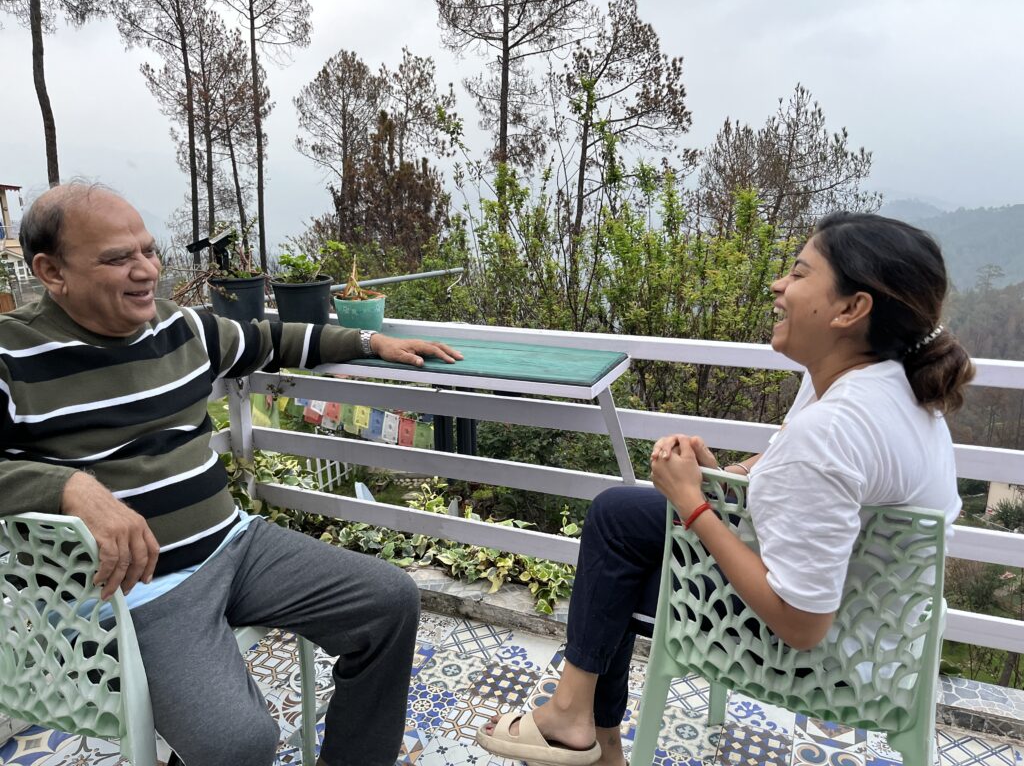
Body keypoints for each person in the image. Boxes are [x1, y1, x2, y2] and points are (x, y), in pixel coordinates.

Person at [476, 212, 975, 766]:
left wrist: (693, 502)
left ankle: (580, 726)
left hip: (826, 653)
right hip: (884, 626)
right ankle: (585, 727)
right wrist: (725, 478)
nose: (778, 286)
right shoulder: (886, 382)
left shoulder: (831, 430)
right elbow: (805, 481)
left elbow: (801, 623)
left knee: (616, 563)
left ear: (851, 309)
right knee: (619, 520)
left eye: (798, 273)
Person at [0, 182, 464, 766]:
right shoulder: (13, 357)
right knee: (241, 743)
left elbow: (274, 339)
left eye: (149, 250)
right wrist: (67, 487)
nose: (146, 271)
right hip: (139, 594)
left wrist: (371, 340)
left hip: (236, 546)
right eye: (119, 258)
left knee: (388, 600)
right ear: (50, 270)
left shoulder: (183, 330)